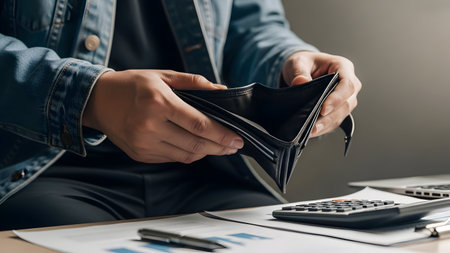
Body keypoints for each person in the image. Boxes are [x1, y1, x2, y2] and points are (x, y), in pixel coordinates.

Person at [0, 0, 361, 230]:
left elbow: (251, 26)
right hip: (38, 173)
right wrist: (90, 97)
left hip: (206, 174)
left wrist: (291, 62)